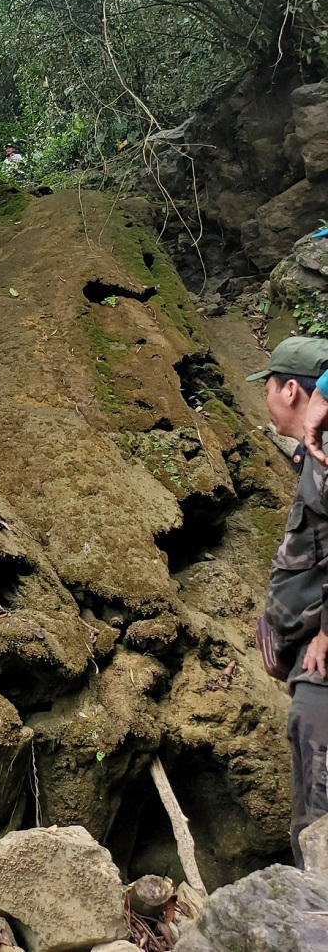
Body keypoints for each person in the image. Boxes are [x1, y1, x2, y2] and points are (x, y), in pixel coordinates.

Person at [247, 335, 328, 865]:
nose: (267, 401)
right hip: (310, 662)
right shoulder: (314, 451)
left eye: (270, 388)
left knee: (321, 815)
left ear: (291, 388)